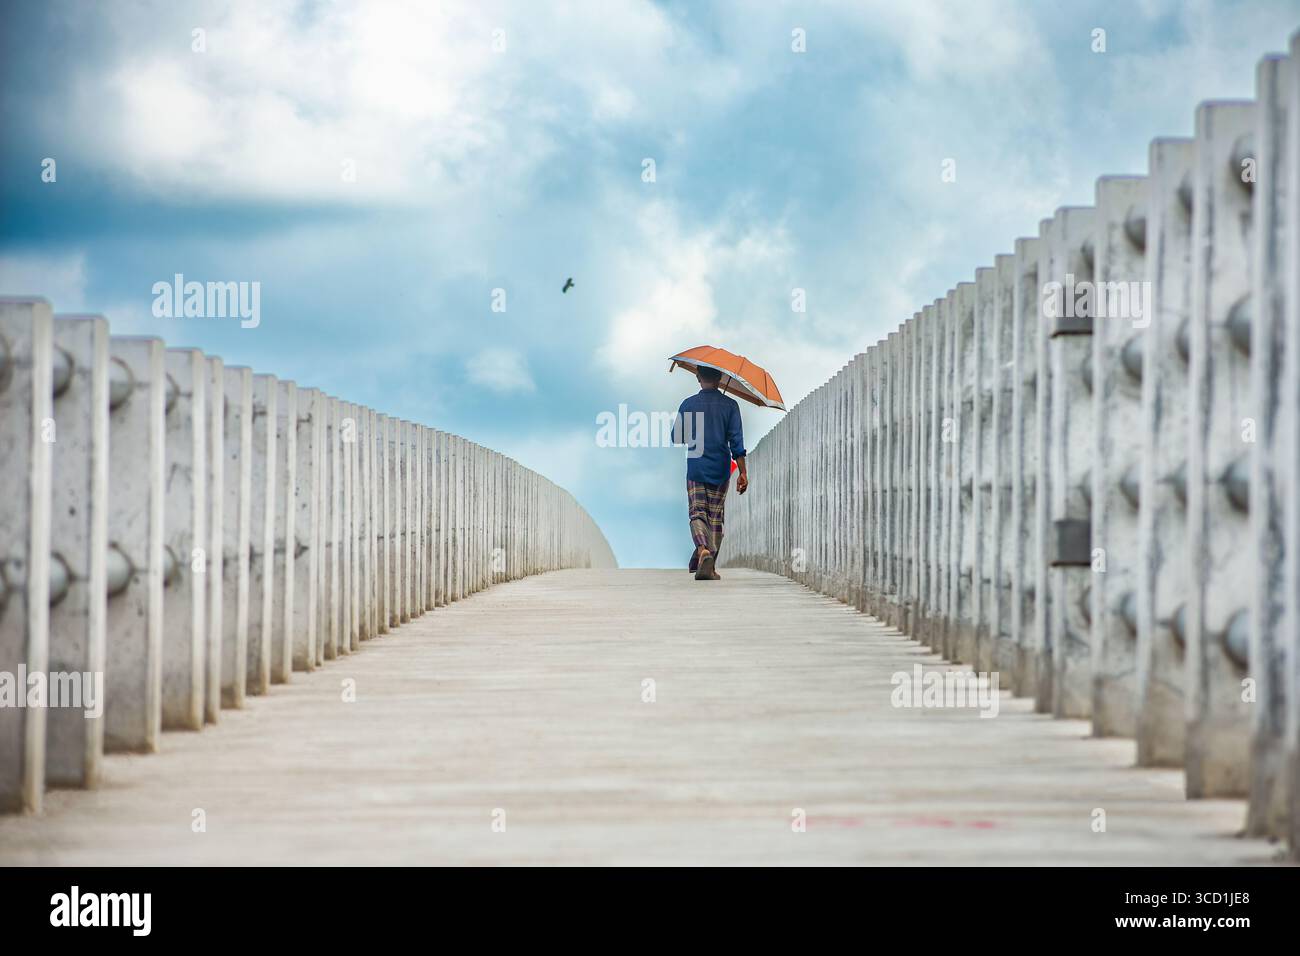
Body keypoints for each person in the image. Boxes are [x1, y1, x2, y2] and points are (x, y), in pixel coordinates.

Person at [672, 365, 747, 580]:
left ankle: (702, 549)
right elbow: (737, 443)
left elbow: (677, 437)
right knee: (715, 517)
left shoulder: (688, 405)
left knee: (697, 512)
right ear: (721, 378)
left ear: (698, 378)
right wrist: (743, 473)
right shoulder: (730, 406)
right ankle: (710, 564)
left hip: (696, 466)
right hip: (721, 468)